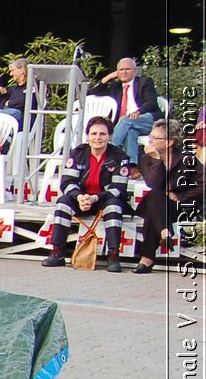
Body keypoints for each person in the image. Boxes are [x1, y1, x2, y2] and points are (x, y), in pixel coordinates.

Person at [42, 116, 134, 271]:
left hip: (105, 199)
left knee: (113, 206)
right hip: (82, 199)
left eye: (102, 134)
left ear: (109, 136)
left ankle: (113, 256)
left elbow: (118, 188)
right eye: (94, 134)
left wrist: (95, 198)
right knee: (63, 202)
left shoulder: (120, 157)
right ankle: (57, 252)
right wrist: (79, 197)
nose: (97, 138)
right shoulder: (77, 153)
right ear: (88, 136)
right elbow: (66, 182)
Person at [133, 120, 202, 274]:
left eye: (154, 138)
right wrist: (157, 160)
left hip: (181, 206)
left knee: (154, 206)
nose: (149, 141)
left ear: (170, 142)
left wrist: (181, 196)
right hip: (158, 204)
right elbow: (154, 183)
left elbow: (204, 183)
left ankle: (147, 258)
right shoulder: (146, 158)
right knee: (156, 194)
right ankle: (165, 233)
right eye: (150, 136)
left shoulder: (186, 157)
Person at [96, 57, 163, 165]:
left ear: (135, 71)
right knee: (131, 132)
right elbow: (93, 92)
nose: (124, 72)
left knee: (125, 121)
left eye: (127, 69)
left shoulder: (144, 82)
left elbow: (151, 102)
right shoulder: (115, 86)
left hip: (148, 119)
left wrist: (139, 112)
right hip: (129, 124)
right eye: (121, 70)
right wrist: (109, 77)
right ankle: (132, 166)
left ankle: (108, 153)